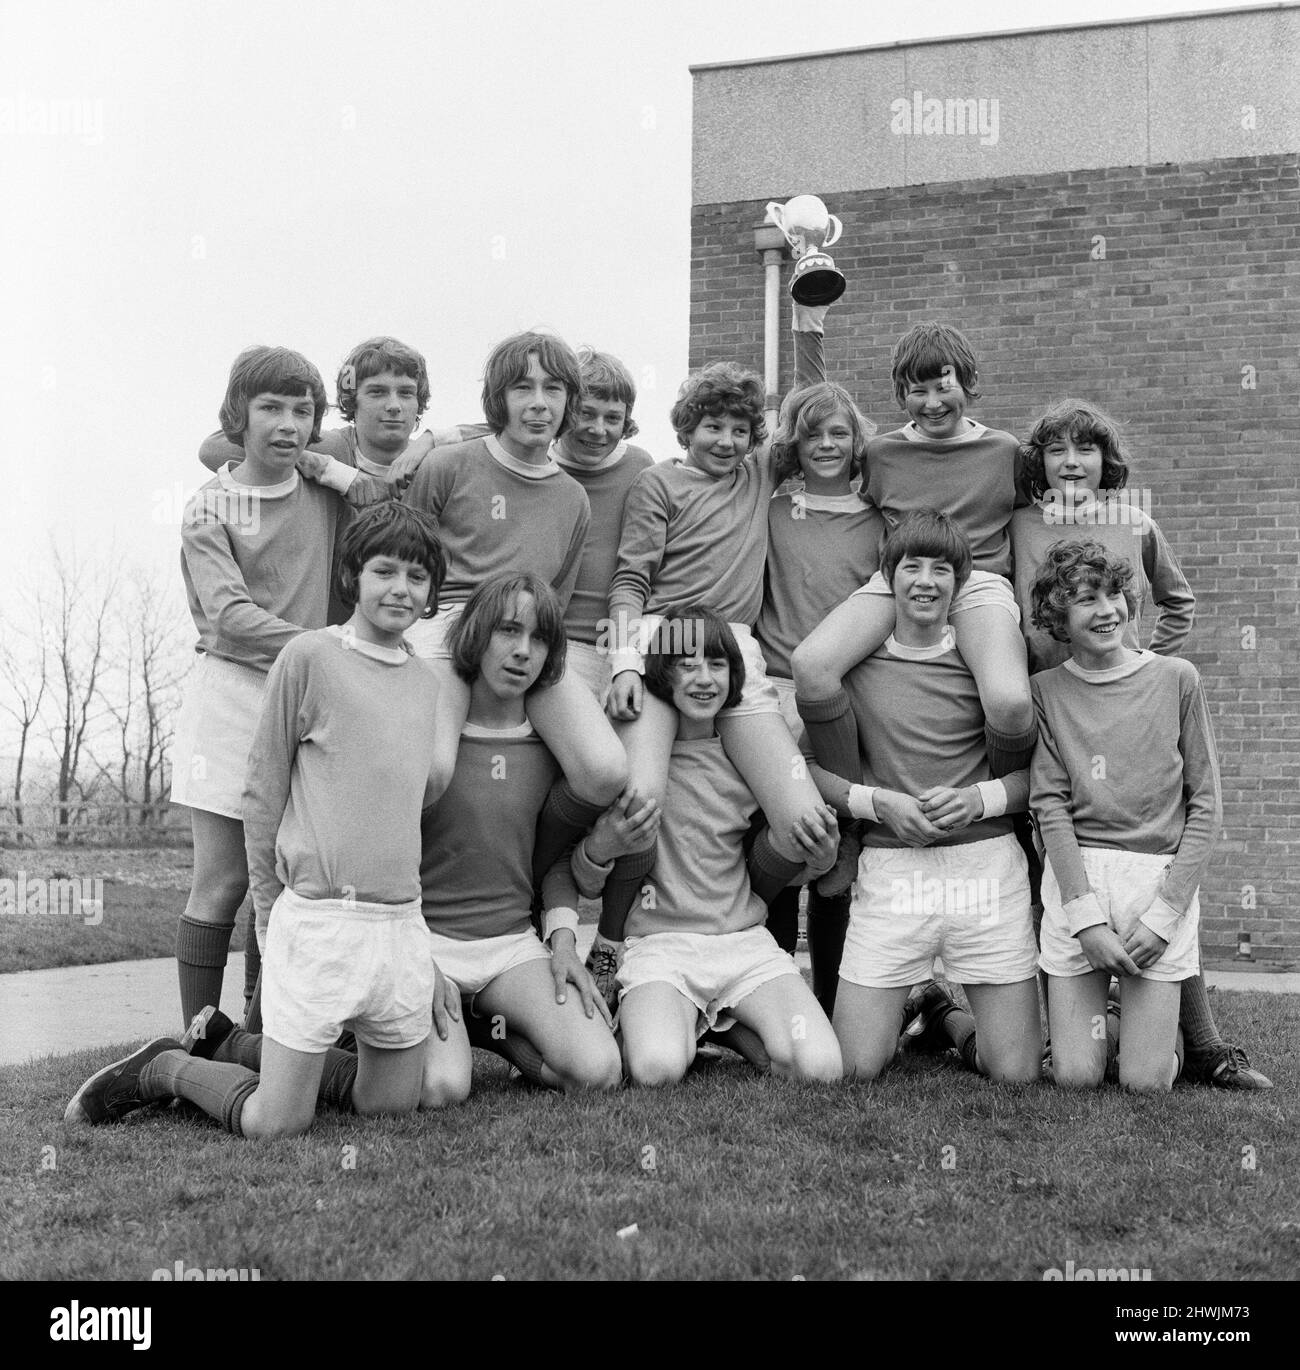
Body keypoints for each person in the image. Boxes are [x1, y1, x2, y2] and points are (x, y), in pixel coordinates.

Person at [65, 502, 457, 1136]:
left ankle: (231, 1043)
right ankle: (164, 1068)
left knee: (387, 1107)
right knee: (277, 1124)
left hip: (397, 926)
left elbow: (406, 811)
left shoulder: (425, 681)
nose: (401, 589)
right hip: (319, 921)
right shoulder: (309, 657)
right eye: (385, 571)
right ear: (353, 575)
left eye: (417, 577)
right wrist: (272, 917)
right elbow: (261, 794)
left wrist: (420, 937)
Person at [1013, 400, 1269, 1090]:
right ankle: (1069, 1023)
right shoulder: (1020, 527)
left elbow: (1176, 601)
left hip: (1132, 726)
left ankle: (1195, 1041)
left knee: (1154, 850)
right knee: (1051, 852)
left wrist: (1142, 674)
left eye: (1087, 449)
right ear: (1036, 465)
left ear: (1107, 461)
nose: (1072, 462)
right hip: (1055, 717)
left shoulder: (1135, 527)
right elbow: (1050, 811)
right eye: (1057, 450)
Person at [591, 360, 834, 1006]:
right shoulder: (658, 484)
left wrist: (811, 314)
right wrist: (622, 662)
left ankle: (746, 941)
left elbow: (810, 403)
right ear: (686, 429)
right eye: (710, 427)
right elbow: (630, 580)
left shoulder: (758, 474)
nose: (725, 441)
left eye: (737, 429)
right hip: (664, 637)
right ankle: (609, 947)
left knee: (806, 821)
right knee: (638, 806)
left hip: (732, 646)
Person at [806, 511, 1041, 1083]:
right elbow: (804, 767)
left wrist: (979, 799)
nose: (927, 581)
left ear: (960, 585)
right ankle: (911, 1006)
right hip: (893, 873)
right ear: (888, 578)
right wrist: (876, 803)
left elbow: (1048, 776)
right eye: (912, 567)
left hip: (985, 869)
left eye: (942, 570)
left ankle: (943, 1018)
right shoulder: (854, 667)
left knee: (1015, 1073)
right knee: (855, 1067)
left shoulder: (987, 663)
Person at [171, 344, 360, 1029]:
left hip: (307, 698)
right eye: (270, 408)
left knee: (280, 879)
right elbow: (229, 616)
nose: (286, 424)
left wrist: (335, 469)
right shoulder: (209, 508)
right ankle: (197, 1035)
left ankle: (263, 1031)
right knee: (222, 881)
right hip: (233, 698)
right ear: (239, 417)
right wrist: (330, 646)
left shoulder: (324, 491)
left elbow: (389, 479)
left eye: (301, 410)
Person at [575, 609, 842, 1087]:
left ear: (735, 675)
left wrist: (818, 862)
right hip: (660, 946)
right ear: (662, 672)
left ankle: (729, 1024)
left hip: (742, 943)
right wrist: (598, 849)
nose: (704, 678)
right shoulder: (634, 765)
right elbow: (586, 876)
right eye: (687, 664)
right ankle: (681, 1023)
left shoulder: (749, 762)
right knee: (657, 1070)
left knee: (821, 1069)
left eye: (717, 665)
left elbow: (775, 862)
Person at [399, 331, 627, 875]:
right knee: (431, 772)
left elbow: (557, 599)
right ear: (499, 398)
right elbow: (409, 564)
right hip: (449, 626)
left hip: (527, 635)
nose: (539, 403)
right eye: (523, 387)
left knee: (604, 770)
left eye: (553, 389)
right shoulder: (448, 465)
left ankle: (534, 877)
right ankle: (398, 892)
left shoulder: (572, 497)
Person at [793, 322, 1036, 803]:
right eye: (916, 391)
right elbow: (815, 419)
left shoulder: (1005, 451)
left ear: (967, 382)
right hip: (900, 578)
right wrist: (808, 326)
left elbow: (1036, 522)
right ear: (900, 394)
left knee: (1009, 702)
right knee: (812, 665)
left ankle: (1009, 809)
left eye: (943, 387)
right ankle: (852, 809)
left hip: (978, 583)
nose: (931, 403)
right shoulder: (883, 454)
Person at [415, 574, 623, 1105]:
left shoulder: (550, 747)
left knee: (599, 1070)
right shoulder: (428, 739)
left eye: (539, 639)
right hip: (426, 944)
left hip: (508, 948)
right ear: (477, 635)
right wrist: (408, 954)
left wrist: (562, 941)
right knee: (442, 1088)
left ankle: (491, 1029)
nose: (522, 651)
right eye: (508, 631)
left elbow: (550, 861)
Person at [1029, 541, 1222, 1093]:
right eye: (1086, 599)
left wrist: (1166, 914)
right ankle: (1113, 1014)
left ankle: (1157, 1034)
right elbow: (1049, 806)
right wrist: (1084, 917)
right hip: (1080, 882)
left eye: (1114, 593)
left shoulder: (1177, 678)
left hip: (1155, 880)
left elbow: (1206, 804)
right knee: (1074, 1076)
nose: (1107, 609)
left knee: (1144, 1082)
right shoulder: (1046, 691)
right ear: (1059, 617)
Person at [755, 379, 884, 1013]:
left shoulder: (880, 523)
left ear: (859, 443)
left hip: (847, 699)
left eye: (839, 433)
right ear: (794, 444)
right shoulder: (774, 510)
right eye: (813, 433)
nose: (826, 444)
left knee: (838, 851)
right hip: (776, 694)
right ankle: (777, 997)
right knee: (782, 835)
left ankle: (832, 1003)